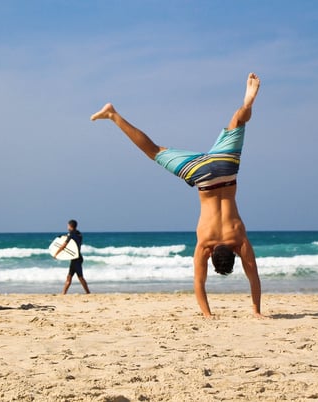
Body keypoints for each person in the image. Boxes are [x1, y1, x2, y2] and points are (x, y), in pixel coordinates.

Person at [90, 73, 263, 318]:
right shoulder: (206, 244)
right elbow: (199, 282)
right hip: (202, 177)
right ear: (212, 256)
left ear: (232, 254)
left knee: (238, 121)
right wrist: (207, 314)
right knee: (154, 151)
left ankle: (247, 104)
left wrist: (256, 311)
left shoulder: (239, 239)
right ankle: (113, 115)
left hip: (225, 168)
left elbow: (253, 275)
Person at [54, 219, 90, 294]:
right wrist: (63, 236)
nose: (67, 227)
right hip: (77, 257)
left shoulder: (71, 234)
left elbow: (64, 245)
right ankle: (63, 293)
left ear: (70, 226)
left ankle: (88, 293)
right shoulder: (78, 234)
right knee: (69, 276)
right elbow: (71, 238)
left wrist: (56, 253)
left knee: (80, 277)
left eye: (67, 225)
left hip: (76, 259)